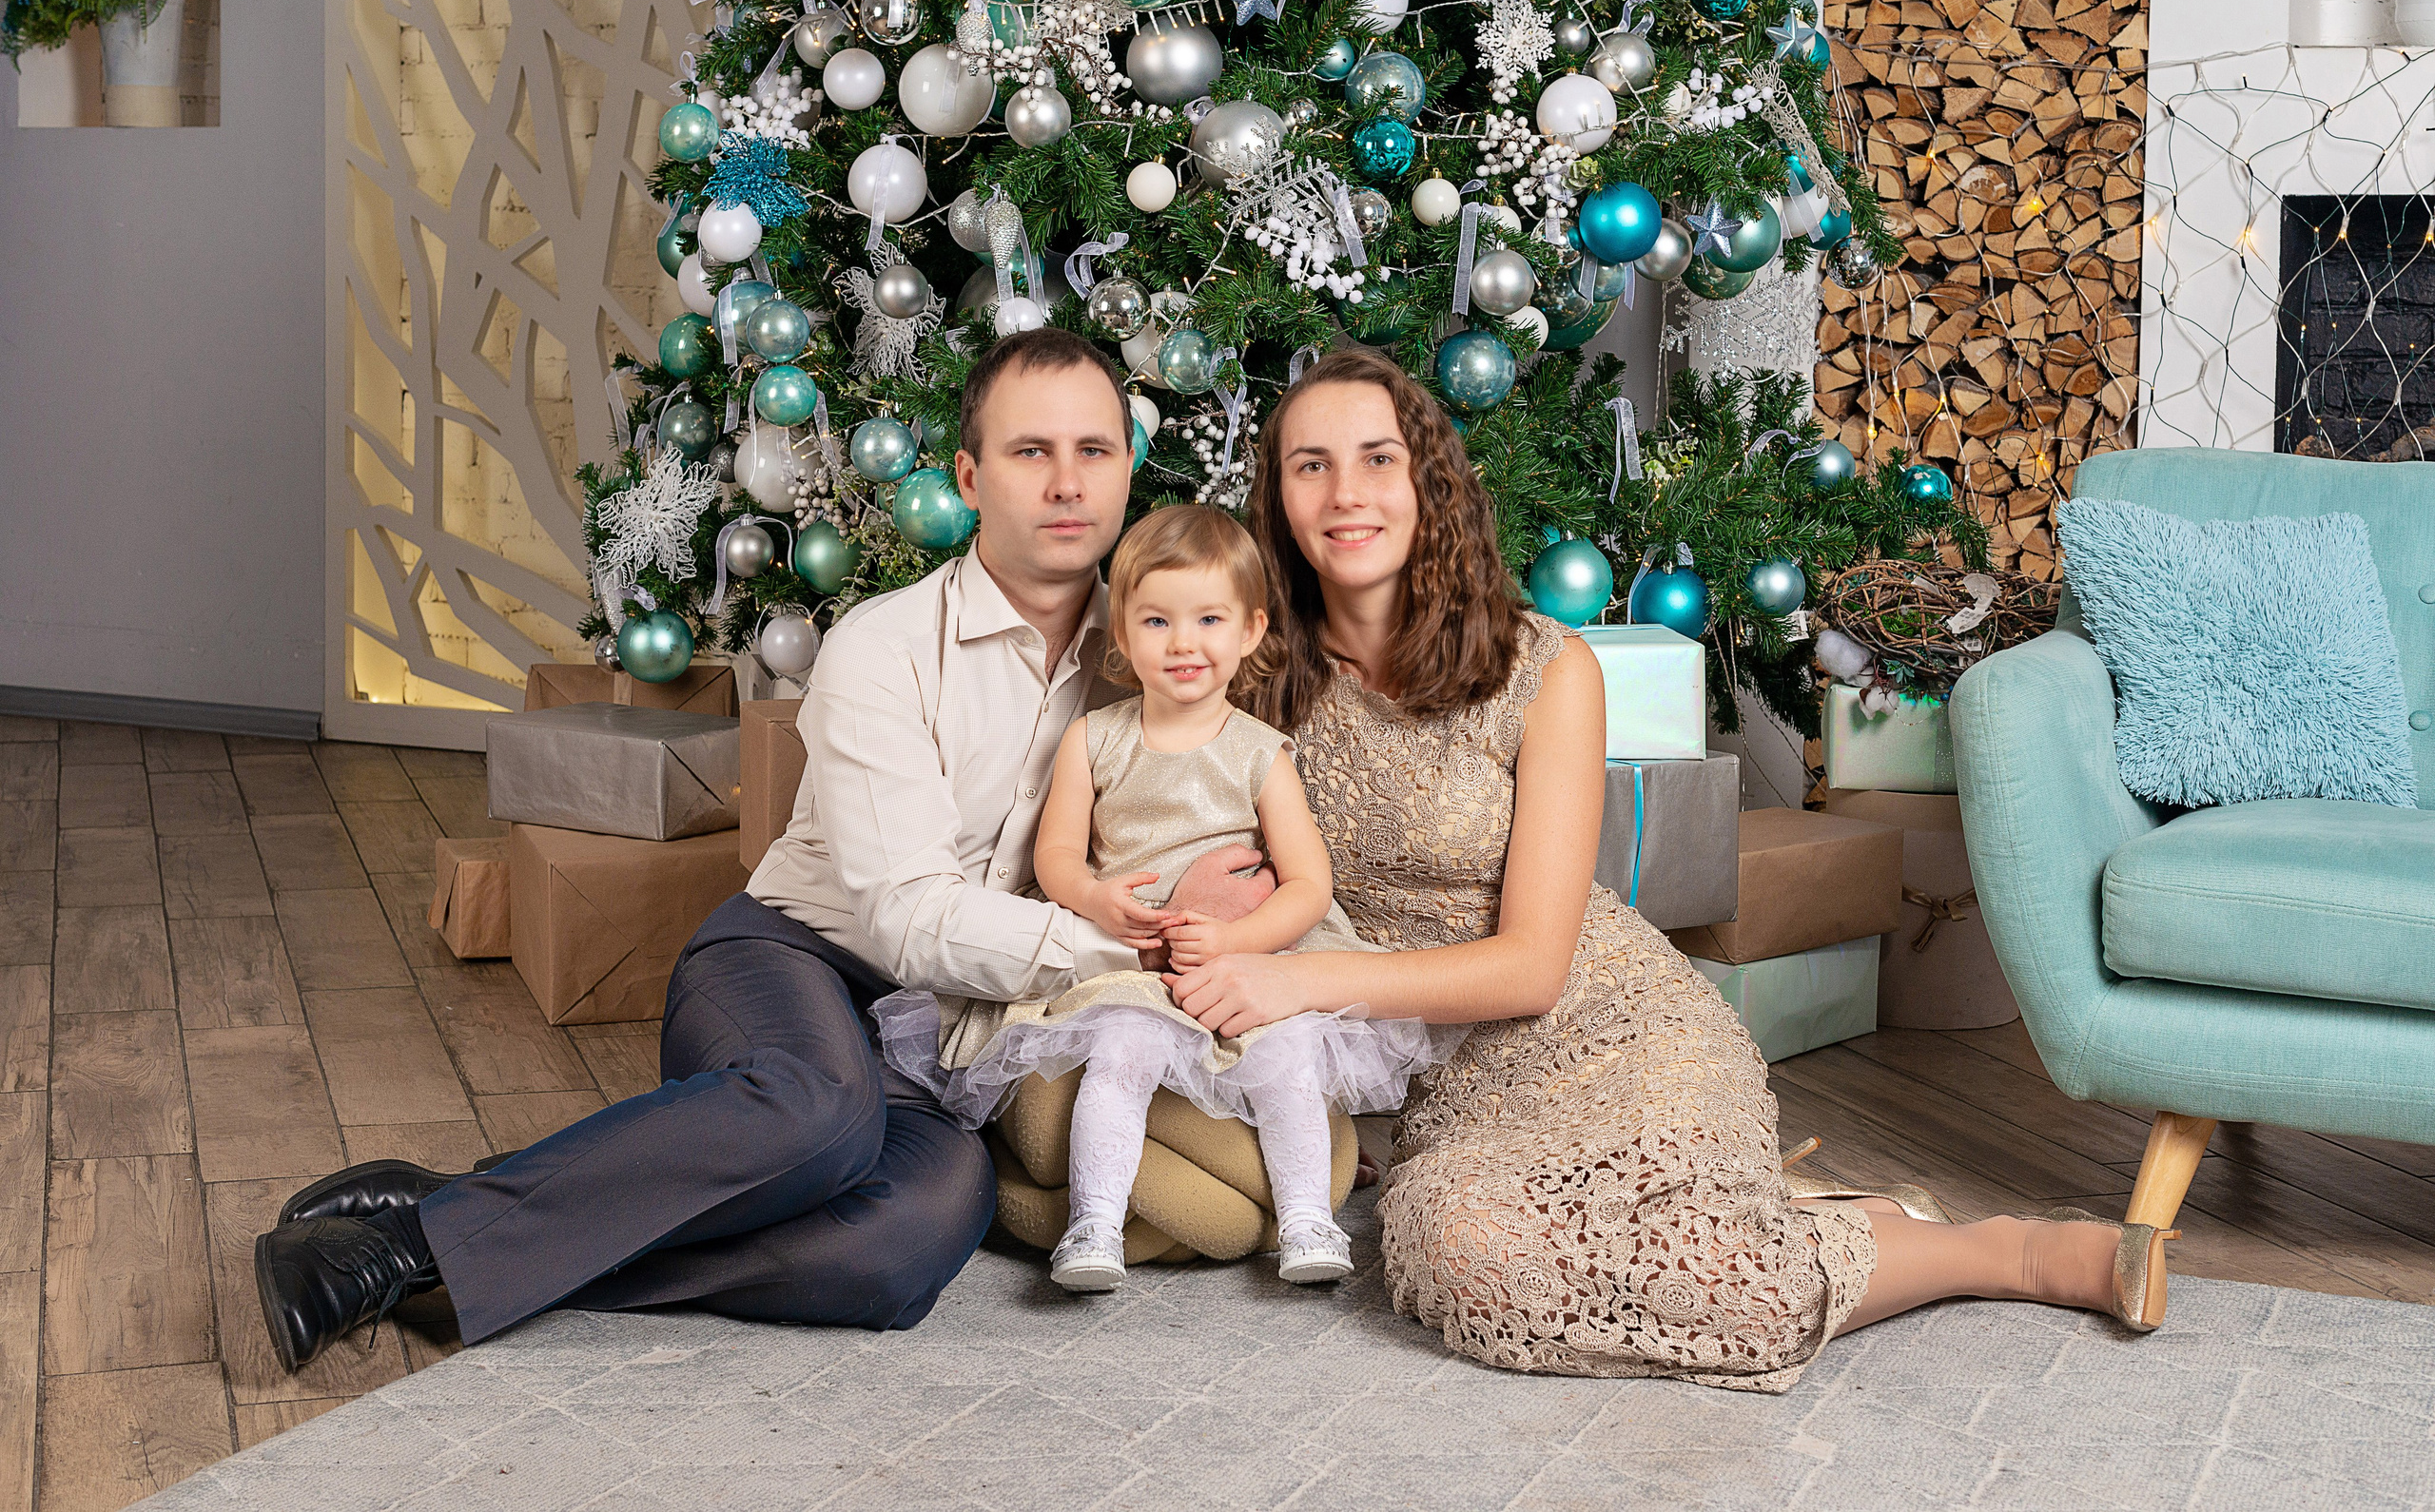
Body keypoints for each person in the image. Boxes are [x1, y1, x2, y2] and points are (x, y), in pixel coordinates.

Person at [249, 328, 1277, 1372]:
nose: (1067, 483)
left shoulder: (1160, 659)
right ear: (968, 476)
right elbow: (907, 918)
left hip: (956, 1034)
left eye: (1094, 451)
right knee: (819, 1109)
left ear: (1129, 467)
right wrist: (1133, 951)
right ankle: (392, 1250)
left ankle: (455, 1222)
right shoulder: (882, 647)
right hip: (790, 959)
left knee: (905, 1243)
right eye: (1030, 452)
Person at [1154, 345, 2173, 1387]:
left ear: (1429, 480)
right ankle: (1817, 1222)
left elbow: (1531, 969)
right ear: (1274, 496)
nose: (1345, 493)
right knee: (1459, 1253)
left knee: (1731, 1280)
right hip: (1451, 1089)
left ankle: (1997, 1249)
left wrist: (1295, 979)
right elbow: (1162, 827)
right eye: (1309, 465)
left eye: (1376, 458)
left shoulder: (1544, 665)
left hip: (1614, 1027)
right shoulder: (1239, 668)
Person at [870, 504, 1453, 1292]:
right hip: (1134, 964)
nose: (1184, 643)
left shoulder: (1258, 752)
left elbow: (1309, 885)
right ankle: (1094, 1224)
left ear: (1249, 631)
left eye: (1208, 619)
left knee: (1283, 1059)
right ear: (1123, 632)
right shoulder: (1094, 738)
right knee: (1120, 1053)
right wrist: (1097, 901)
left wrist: (1240, 945)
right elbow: (1057, 854)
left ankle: (1308, 1220)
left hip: (1248, 961)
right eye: (1157, 620)